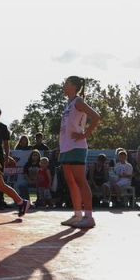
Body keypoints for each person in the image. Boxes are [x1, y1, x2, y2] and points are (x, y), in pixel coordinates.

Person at [57, 75, 101, 227]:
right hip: (66, 147)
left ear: (74, 86)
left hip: (77, 147)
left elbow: (96, 117)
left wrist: (85, 134)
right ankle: (77, 215)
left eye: (66, 83)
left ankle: (89, 217)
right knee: (70, 182)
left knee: (81, 181)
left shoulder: (78, 101)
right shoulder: (68, 104)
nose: (64, 85)